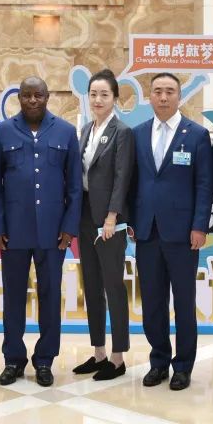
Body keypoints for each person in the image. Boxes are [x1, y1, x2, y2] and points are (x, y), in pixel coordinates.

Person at [0, 76, 82, 388]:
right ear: (19, 98)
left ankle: (44, 360)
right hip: (13, 232)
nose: (32, 101)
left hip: (53, 233)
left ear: (47, 96)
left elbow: (75, 186)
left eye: (38, 95)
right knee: (13, 296)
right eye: (26, 95)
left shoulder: (66, 131)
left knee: (50, 297)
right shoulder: (2, 132)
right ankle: (13, 359)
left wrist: (69, 227)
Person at [130, 72, 213, 391]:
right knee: (152, 302)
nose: (163, 97)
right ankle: (159, 361)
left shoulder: (196, 135)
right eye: (157, 91)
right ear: (149, 96)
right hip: (147, 231)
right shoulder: (137, 134)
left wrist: (200, 225)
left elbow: (204, 184)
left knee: (183, 302)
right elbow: (132, 182)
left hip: (183, 233)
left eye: (169, 91)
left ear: (179, 96)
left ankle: (183, 366)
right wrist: (132, 220)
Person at [72, 69, 134, 381]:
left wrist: (112, 217)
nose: (98, 100)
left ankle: (118, 356)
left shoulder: (122, 132)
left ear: (115, 98)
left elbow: (122, 178)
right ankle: (98, 352)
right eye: (93, 94)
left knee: (113, 286)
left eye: (104, 95)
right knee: (92, 286)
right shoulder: (86, 129)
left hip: (109, 222)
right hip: (85, 216)